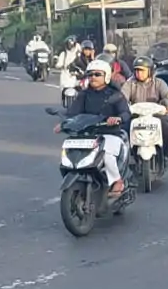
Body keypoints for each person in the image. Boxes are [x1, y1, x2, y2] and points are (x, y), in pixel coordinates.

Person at [57, 60, 133, 198]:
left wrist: (118, 119)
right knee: (70, 149)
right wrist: (63, 123)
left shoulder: (115, 95)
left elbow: (125, 113)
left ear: (107, 76)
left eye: (97, 74)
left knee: (106, 154)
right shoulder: (83, 95)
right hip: (87, 134)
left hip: (110, 133)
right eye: (90, 74)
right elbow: (72, 113)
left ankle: (117, 181)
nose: (93, 77)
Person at [120, 55, 168, 162]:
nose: (139, 73)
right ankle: (126, 156)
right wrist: (121, 107)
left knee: (167, 130)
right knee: (123, 130)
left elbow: (166, 95)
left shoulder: (159, 83)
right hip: (135, 116)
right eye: (137, 70)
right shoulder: (130, 83)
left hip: (156, 116)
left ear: (150, 71)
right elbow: (122, 97)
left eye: (142, 70)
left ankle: (165, 156)